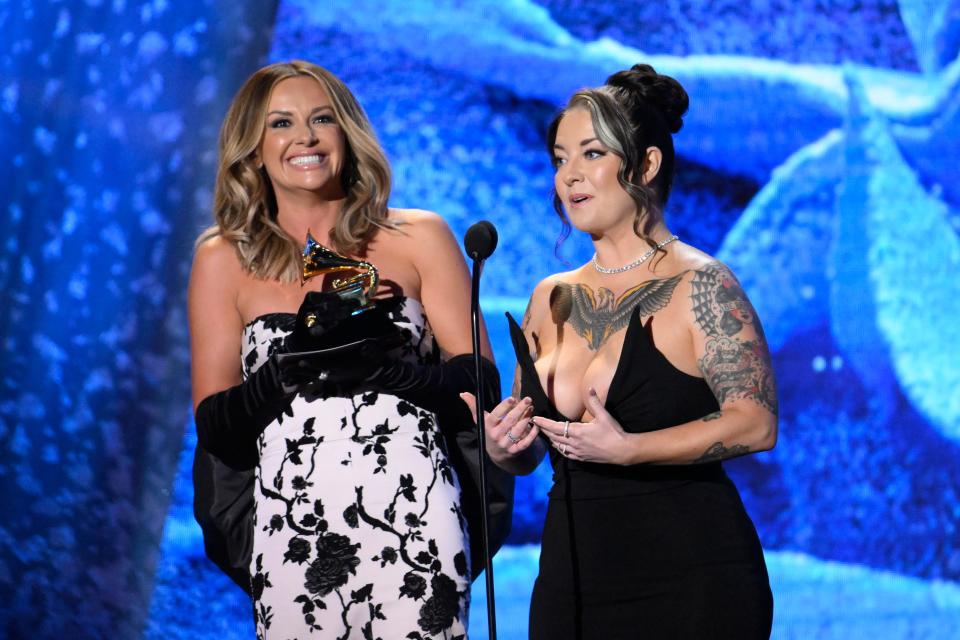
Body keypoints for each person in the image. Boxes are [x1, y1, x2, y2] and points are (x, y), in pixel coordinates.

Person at [188, 60, 507, 639]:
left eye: (322, 119)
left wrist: (392, 372)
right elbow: (216, 426)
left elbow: (479, 383)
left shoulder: (419, 237)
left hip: (418, 513)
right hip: (293, 523)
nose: (305, 137)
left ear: (348, 134)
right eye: (281, 123)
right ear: (253, 149)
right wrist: (290, 365)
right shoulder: (221, 259)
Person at [469, 64, 777, 639]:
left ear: (646, 164)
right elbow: (530, 454)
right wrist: (503, 445)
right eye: (560, 159)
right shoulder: (550, 296)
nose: (569, 177)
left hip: (692, 578)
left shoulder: (702, 285)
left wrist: (632, 449)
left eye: (590, 154)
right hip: (573, 579)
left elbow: (755, 423)